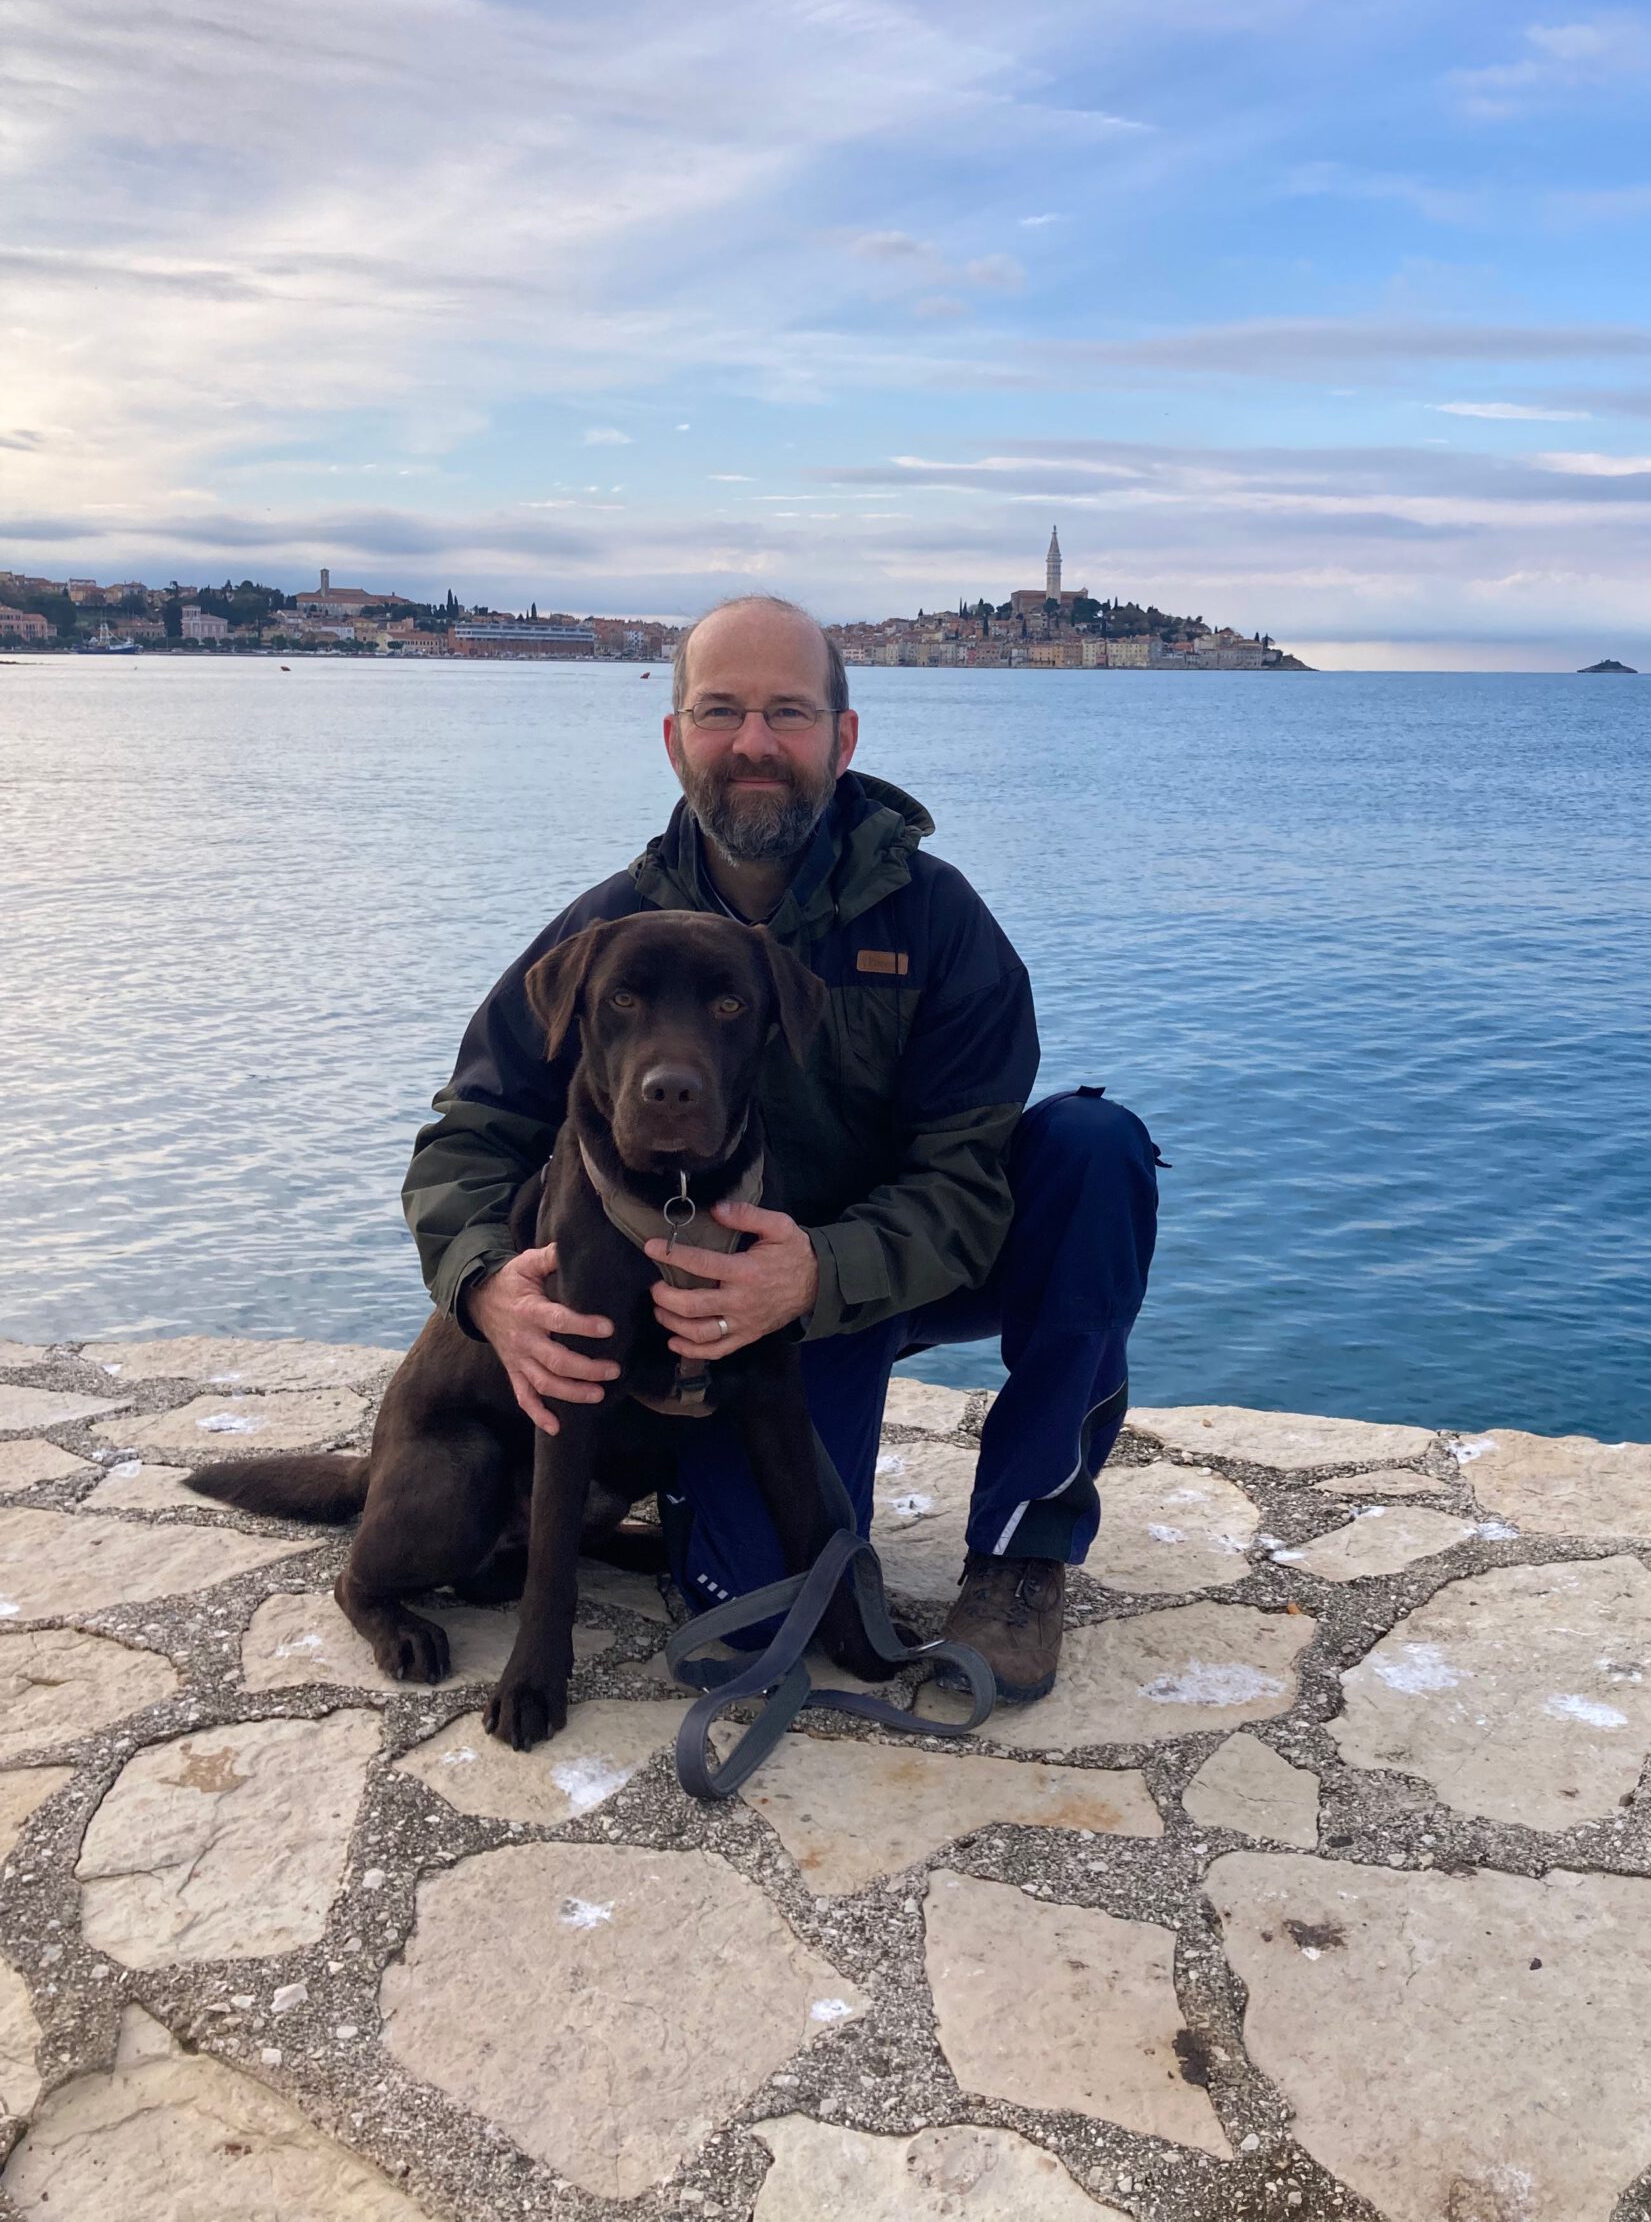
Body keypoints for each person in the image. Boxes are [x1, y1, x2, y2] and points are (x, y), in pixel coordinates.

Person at [401, 594, 1159, 1700]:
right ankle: (696, 1522)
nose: (753, 742)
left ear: (842, 738)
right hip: (728, 1332)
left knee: (1095, 1149)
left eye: (788, 713)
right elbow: (467, 1133)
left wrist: (817, 1272)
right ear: (675, 741)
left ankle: (1021, 1557)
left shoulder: (938, 925)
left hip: (868, 1275)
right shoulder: (605, 934)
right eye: (720, 712)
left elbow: (967, 1174)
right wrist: (486, 1289)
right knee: (749, 1631)